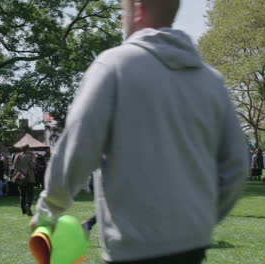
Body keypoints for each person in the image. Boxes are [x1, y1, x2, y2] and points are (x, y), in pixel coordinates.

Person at [29, 1, 249, 263]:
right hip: (192, 243)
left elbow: (77, 147)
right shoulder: (211, 81)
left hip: (134, 245)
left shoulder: (114, 67)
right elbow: (237, 165)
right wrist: (203, 219)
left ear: (138, 8)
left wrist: (48, 209)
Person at [13, 144, 36, 216]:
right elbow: (33, 166)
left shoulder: (17, 156)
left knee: (22, 195)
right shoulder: (30, 156)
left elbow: (14, 166)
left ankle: (23, 211)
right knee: (30, 193)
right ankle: (28, 205)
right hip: (29, 177)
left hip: (20, 176)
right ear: (28, 149)